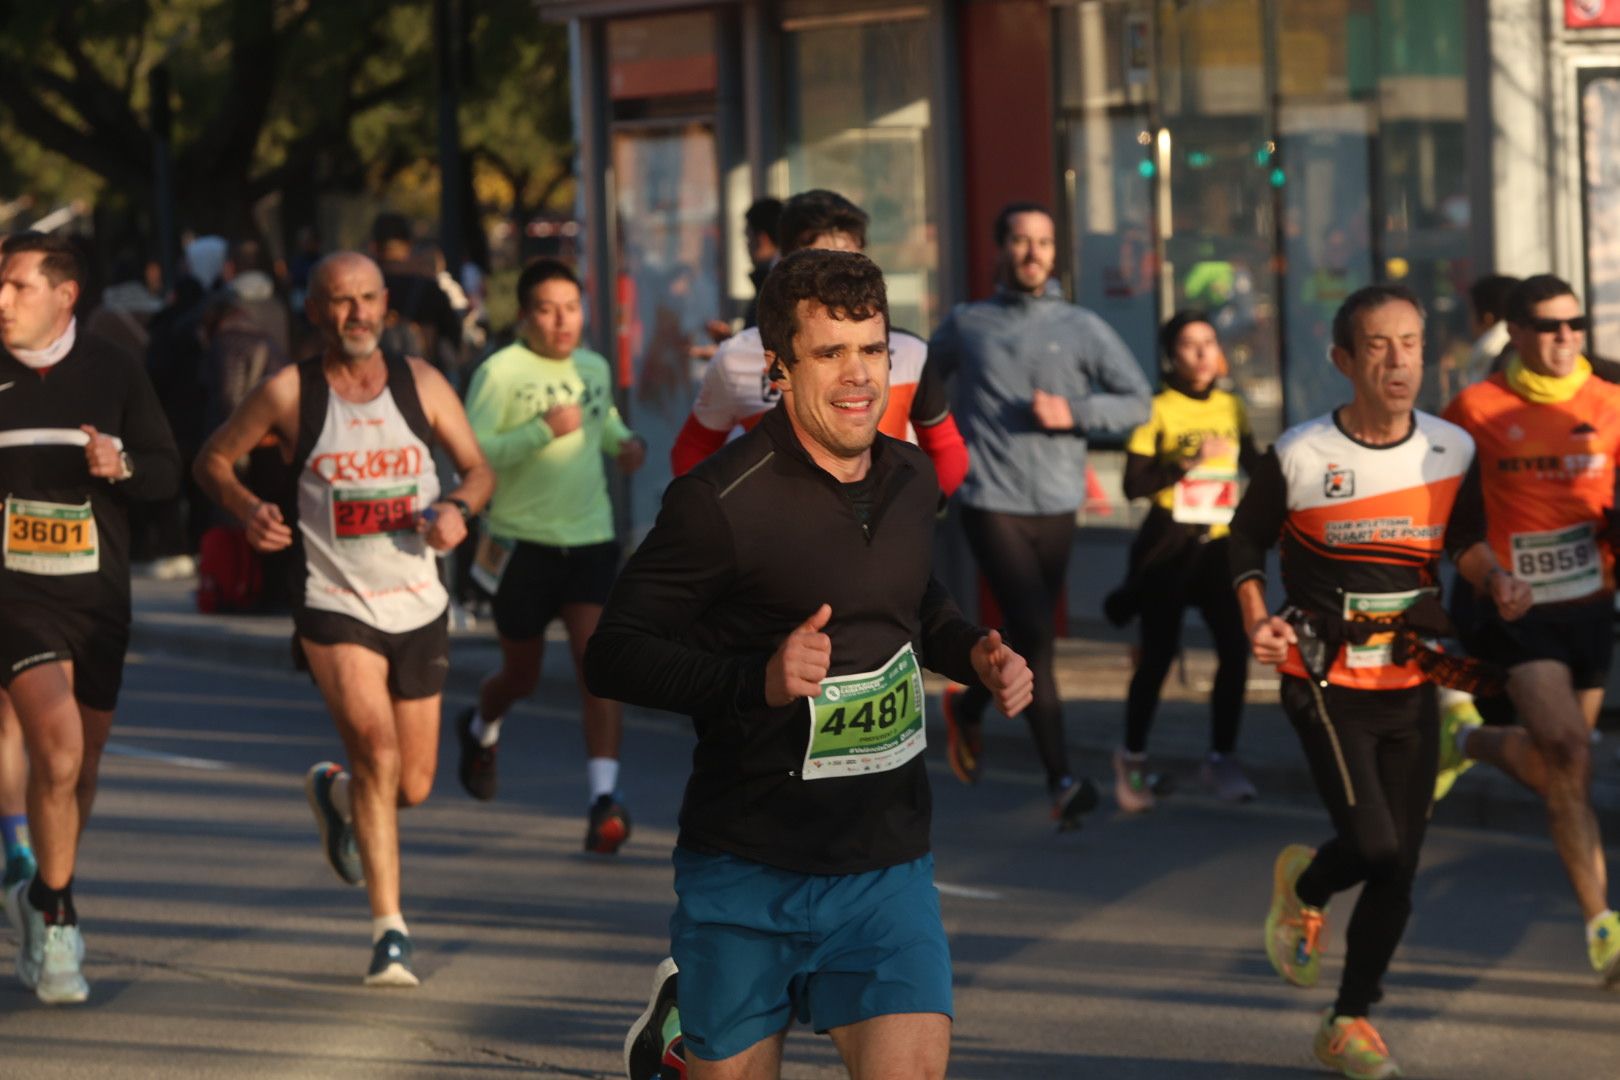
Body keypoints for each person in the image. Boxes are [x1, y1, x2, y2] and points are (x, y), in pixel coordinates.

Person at [584, 248, 1033, 1078]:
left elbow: (911, 598)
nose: (859, 375)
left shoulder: (911, 477)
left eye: (873, 349)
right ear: (780, 369)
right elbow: (612, 655)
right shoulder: (719, 502)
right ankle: (681, 1023)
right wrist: (755, 679)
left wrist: (971, 650)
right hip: (747, 867)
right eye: (830, 353)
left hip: (885, 865)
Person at [1229, 283, 1530, 1078]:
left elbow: (1464, 539)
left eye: (1412, 343)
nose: (1399, 361)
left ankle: (1348, 1019)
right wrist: (1257, 618)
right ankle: (1307, 887)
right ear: (1344, 359)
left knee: (1400, 864)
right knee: (1372, 843)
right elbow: (1243, 541)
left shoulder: (1450, 448)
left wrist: (1495, 576)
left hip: (1409, 673)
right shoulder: (1301, 454)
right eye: (1377, 346)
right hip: (1321, 673)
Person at [194, 251, 492, 986]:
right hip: (333, 599)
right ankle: (390, 931)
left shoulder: (421, 384)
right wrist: (249, 509)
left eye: (366, 298)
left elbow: (478, 470)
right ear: (314, 310)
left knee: (412, 784)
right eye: (338, 300)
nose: (355, 314)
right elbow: (213, 461)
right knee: (376, 751)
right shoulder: (289, 392)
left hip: (417, 600)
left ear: (386, 304)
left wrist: (457, 509)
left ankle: (335, 795)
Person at [927, 200, 1152, 827]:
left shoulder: (1082, 327)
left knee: (1029, 633)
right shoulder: (968, 323)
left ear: (1055, 254)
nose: (1033, 253)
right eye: (1021, 241)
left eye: (1044, 243)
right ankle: (1061, 780)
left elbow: (1139, 402)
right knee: (1037, 633)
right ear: (1001, 248)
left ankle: (967, 708)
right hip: (989, 499)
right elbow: (917, 384)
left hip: (1057, 502)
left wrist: (1074, 413)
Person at [0, 230, 182, 1003]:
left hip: (99, 599)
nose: (2, 301)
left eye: (17, 286)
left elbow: (167, 473)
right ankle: (60, 920)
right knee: (58, 745)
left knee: (82, 762)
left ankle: (44, 888)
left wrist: (123, 464)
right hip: (13, 598)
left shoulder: (113, 369)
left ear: (64, 294)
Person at [1438, 273, 1620, 987]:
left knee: (1564, 771)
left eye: (1574, 324)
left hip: (1592, 604)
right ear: (1513, 332)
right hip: (1516, 607)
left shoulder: (1609, 401)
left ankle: (1465, 741)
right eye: (1548, 326)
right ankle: (1602, 925)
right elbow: (1442, 512)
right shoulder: (1474, 409)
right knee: (1569, 750)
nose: (1565, 337)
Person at [456, 259, 646, 854]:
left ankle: (603, 801)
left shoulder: (593, 367)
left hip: (589, 539)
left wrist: (625, 444)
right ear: (524, 315)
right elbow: (472, 449)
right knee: (522, 676)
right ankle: (481, 725)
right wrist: (540, 430)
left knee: (598, 665)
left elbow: (602, 422)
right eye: (547, 309)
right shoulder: (500, 371)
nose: (563, 321)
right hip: (521, 544)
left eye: (571, 307)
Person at [671, 190, 969, 499]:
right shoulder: (737, 356)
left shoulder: (910, 350)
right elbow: (693, 448)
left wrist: (921, 508)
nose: (837, 278)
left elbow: (946, 447)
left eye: (849, 260)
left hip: (881, 516)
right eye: (820, 262)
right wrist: (718, 515)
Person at [1105, 311, 1260, 810]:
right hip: (1170, 545)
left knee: (1234, 650)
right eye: (1190, 345)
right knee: (1158, 657)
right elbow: (1133, 484)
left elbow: (1254, 465)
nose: (1202, 353)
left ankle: (1222, 757)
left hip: (1217, 544)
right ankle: (1132, 757)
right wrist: (1188, 463)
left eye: (1209, 342)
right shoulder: (1156, 408)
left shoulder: (1232, 406)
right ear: (1172, 355)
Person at [740, 196, 783, 330]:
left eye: (748, 237)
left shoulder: (774, 284)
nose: (747, 246)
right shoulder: (781, 277)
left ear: (762, 239)